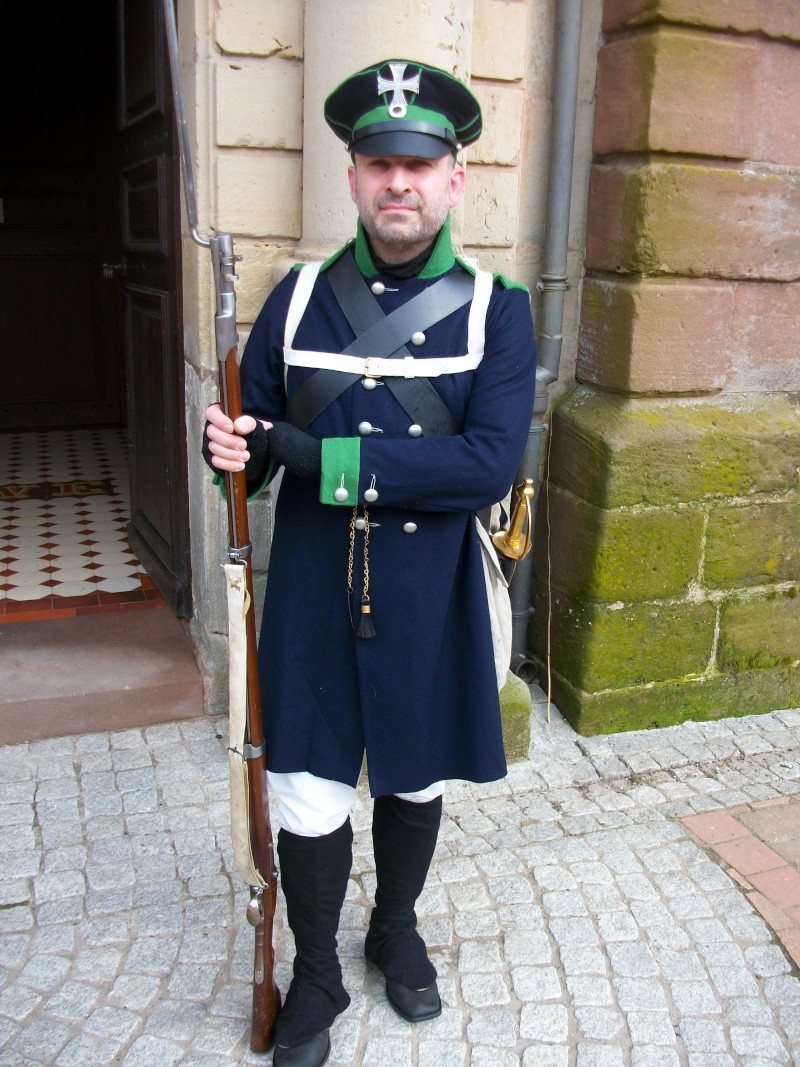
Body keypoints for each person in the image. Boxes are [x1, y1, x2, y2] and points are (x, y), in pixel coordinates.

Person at [204, 58, 537, 1067]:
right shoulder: (297, 297)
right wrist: (236, 447)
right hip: (309, 584)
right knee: (305, 777)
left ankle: (394, 925)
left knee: (413, 773)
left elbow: (484, 464)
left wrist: (317, 457)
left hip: (426, 590)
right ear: (352, 176)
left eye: (419, 165)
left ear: (453, 180)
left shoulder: (496, 308)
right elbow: (258, 436)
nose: (400, 183)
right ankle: (313, 969)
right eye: (380, 163)